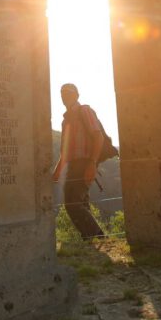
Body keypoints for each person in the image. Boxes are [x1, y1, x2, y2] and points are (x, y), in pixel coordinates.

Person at [51, 83, 105, 239]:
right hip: (74, 166)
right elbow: (65, 153)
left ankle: (98, 236)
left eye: (68, 92)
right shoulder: (65, 120)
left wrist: (92, 164)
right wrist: (57, 172)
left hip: (85, 163)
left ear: (77, 95)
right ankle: (91, 242)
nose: (64, 95)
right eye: (62, 93)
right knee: (80, 204)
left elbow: (98, 137)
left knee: (72, 204)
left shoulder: (85, 111)